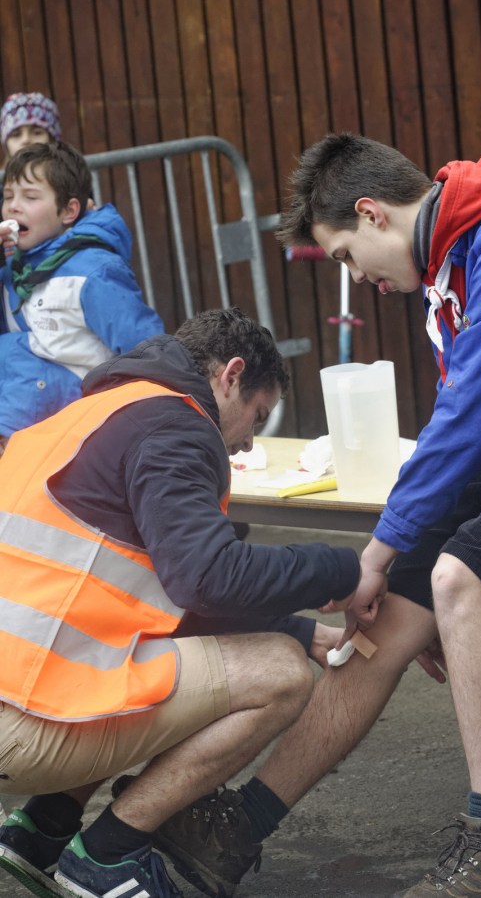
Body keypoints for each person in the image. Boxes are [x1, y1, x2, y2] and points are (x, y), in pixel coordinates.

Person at [121, 132, 481, 898]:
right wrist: (396, 573)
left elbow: (469, 415)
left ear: (372, 213)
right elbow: (462, 419)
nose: (357, 279)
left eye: (345, 255)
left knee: (458, 577)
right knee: (382, 617)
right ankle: (243, 825)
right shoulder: (452, 263)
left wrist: (382, 549)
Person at [0, 306, 360, 898]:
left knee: (162, 651)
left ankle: (43, 828)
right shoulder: (176, 426)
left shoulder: (98, 411)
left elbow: (164, 595)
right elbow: (207, 579)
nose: (248, 442)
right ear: (231, 376)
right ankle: (108, 854)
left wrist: (297, 628)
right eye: (257, 415)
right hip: (25, 726)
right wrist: (340, 571)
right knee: (280, 674)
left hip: (22, 693)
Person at [0, 140, 164, 454]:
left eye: (30, 197)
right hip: (21, 427)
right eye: (8, 196)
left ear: (69, 211)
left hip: (78, 431)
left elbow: (145, 347)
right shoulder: (10, 268)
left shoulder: (94, 271)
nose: (13, 207)